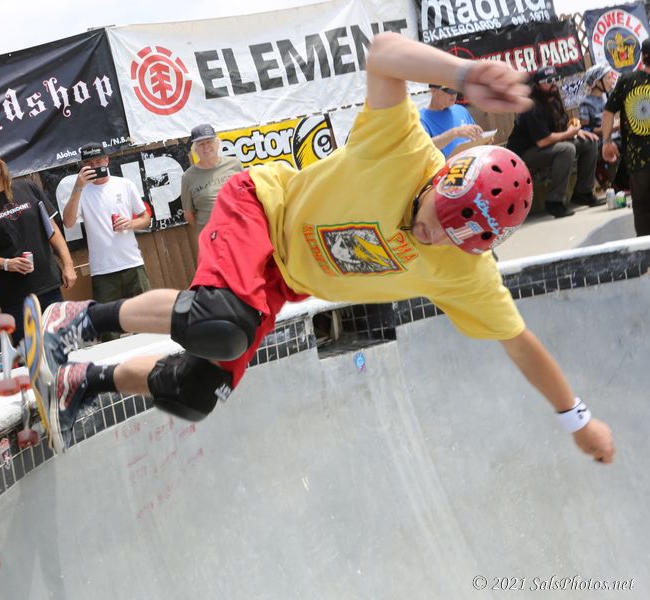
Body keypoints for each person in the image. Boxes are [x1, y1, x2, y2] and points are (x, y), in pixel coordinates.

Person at [42, 33, 615, 465]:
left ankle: (85, 382)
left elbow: (519, 342)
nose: (436, 236)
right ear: (443, 179)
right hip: (262, 209)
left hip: (284, 280)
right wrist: (463, 72)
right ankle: (79, 320)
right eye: (440, 218)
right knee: (220, 320)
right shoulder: (401, 147)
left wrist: (577, 420)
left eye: (458, 240)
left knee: (193, 391)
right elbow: (384, 53)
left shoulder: (465, 275)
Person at [0, 144, 76, 343]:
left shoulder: (29, 188)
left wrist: (68, 265)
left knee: (62, 345)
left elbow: (53, 231)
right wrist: (6, 264)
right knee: (29, 353)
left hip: (49, 287)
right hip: (15, 298)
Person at [63, 142, 152, 306]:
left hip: (133, 264)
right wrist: (78, 187)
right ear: (83, 167)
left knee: (146, 315)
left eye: (98, 162)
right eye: (89, 164)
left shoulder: (125, 184)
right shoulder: (80, 191)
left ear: (107, 160)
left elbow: (145, 218)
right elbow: (68, 223)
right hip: (102, 271)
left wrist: (130, 223)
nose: (95, 167)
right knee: (107, 321)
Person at [506, 65, 601, 218]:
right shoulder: (532, 106)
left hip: (545, 146)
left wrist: (577, 131)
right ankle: (554, 202)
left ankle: (583, 192)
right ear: (537, 85)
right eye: (548, 81)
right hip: (523, 154)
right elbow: (543, 141)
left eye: (555, 79)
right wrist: (569, 134)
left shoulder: (554, 100)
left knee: (589, 142)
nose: (553, 83)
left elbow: (562, 126)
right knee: (567, 149)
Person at [602, 39, 650, 236]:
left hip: (638, 161)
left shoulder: (626, 80)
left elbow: (608, 112)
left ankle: (645, 251)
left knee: (642, 210)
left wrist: (606, 142)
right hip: (638, 161)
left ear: (642, 56)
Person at [180, 124, 243, 257]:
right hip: (213, 240)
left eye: (209, 142)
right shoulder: (188, 177)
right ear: (195, 149)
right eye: (201, 144)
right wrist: (207, 229)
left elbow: (247, 195)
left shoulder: (234, 164)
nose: (206, 147)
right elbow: (188, 214)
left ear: (217, 143)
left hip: (240, 231)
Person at [580, 64, 623, 190]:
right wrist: (610, 128)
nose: (611, 81)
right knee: (617, 147)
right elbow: (585, 129)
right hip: (600, 142)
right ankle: (611, 181)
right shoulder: (586, 103)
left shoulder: (608, 96)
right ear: (597, 82)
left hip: (615, 135)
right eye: (608, 78)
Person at [419, 84, 484, 157]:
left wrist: (484, 141)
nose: (454, 95)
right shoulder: (421, 119)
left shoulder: (461, 110)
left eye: (456, 89)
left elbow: (475, 140)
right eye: (449, 90)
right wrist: (454, 133)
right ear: (433, 89)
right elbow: (423, 150)